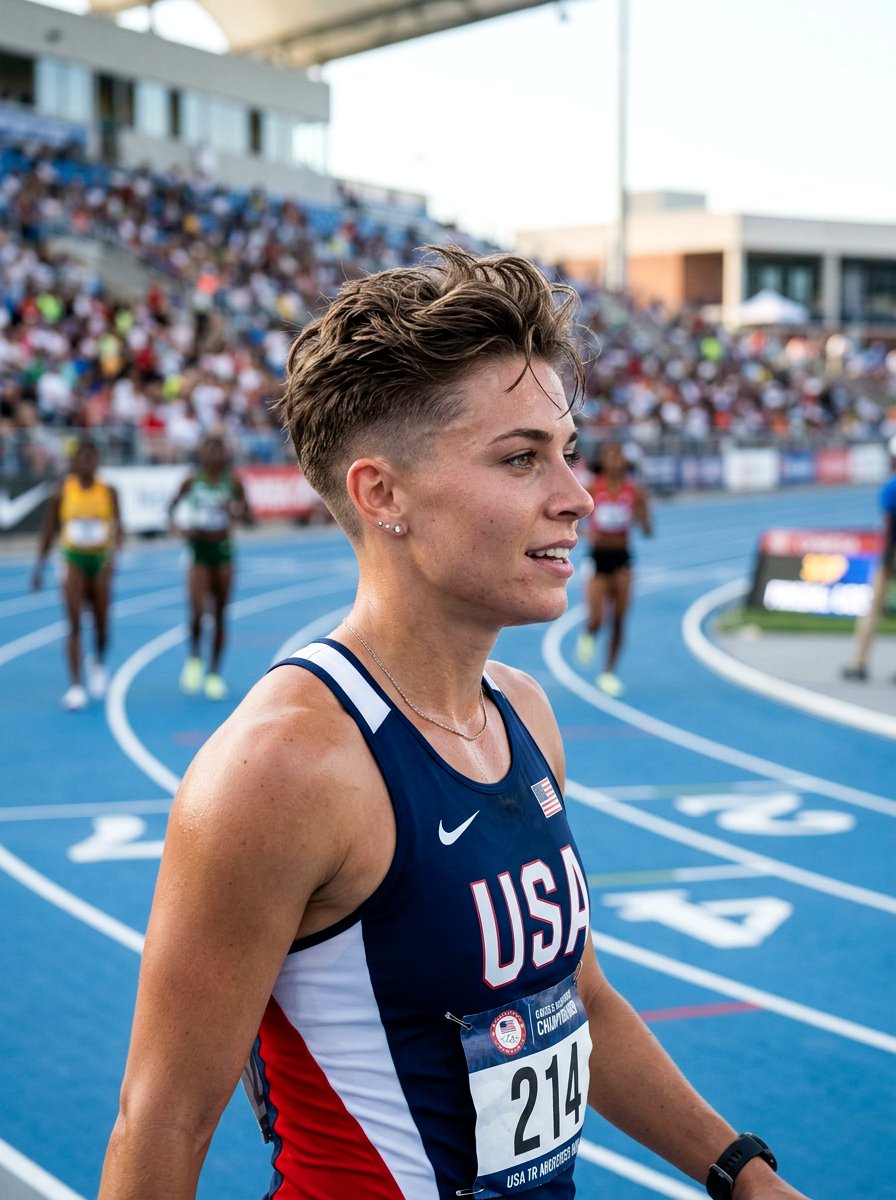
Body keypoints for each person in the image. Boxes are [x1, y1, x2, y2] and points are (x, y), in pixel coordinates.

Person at [99, 248, 810, 1200]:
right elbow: (163, 1122)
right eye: (521, 458)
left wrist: (744, 1176)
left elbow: (576, 1000)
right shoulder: (284, 768)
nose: (577, 495)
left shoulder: (524, 715)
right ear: (381, 494)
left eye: (566, 451)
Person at [31, 438, 122, 711]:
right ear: (74, 461)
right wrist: (39, 568)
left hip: (100, 561)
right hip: (73, 560)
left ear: (98, 460)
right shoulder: (62, 491)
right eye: (82, 456)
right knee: (73, 623)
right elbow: (49, 529)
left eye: (92, 456)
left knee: (102, 624)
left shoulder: (109, 491)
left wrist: (113, 558)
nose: (87, 461)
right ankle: (75, 686)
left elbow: (119, 528)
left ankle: (97, 662)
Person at [168, 433, 252, 700]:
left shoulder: (233, 482)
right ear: (201, 453)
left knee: (219, 615)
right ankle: (194, 658)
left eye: (218, 449)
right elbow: (171, 508)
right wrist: (178, 529)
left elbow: (249, 516)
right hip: (198, 550)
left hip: (223, 550)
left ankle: (214, 673)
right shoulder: (192, 481)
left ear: (225, 453)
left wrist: (234, 511)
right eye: (209, 449)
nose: (214, 455)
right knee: (196, 611)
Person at [575, 440, 652, 696]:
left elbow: (648, 530)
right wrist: (587, 534)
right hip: (598, 558)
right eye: (611, 454)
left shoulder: (635, 490)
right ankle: (590, 632)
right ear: (603, 460)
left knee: (619, 619)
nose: (616, 459)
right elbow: (574, 521)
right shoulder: (591, 488)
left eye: (619, 454)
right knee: (597, 618)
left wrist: (643, 514)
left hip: (623, 558)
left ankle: (608, 672)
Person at [842, 434, 896, 681]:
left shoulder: (891, 487)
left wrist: (885, 559)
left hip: (891, 554)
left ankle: (858, 663)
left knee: (874, 609)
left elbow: (888, 526)